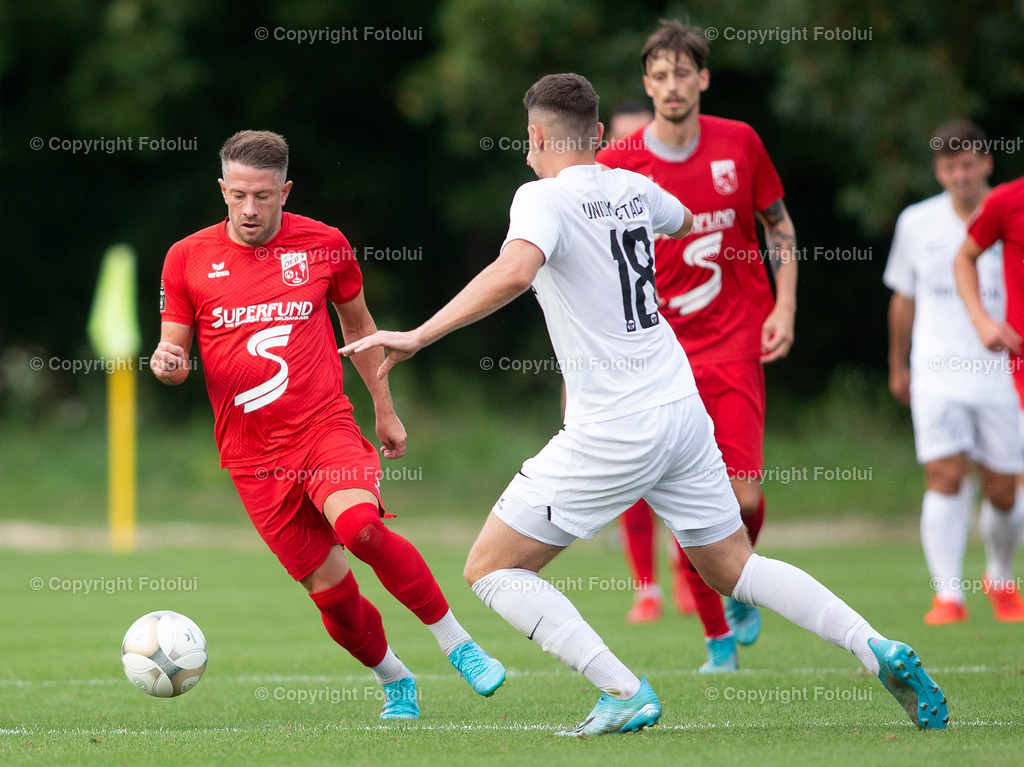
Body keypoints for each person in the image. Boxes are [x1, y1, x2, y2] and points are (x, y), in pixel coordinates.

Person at [342, 73, 948, 735]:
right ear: (601, 134)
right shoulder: (633, 187)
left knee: (490, 567)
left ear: (536, 136)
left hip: (616, 422)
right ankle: (874, 645)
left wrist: (419, 334)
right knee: (734, 567)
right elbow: (682, 219)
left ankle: (622, 689)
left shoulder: (539, 197)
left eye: (527, 138)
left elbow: (515, 271)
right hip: (682, 408)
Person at [150, 130, 505, 720]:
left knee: (362, 527)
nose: (249, 209)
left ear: (285, 191)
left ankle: (458, 644)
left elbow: (359, 328)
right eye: (238, 195)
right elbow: (175, 355)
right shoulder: (186, 257)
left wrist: (384, 408)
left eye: (263, 196)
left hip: (323, 428)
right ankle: (394, 677)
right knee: (333, 598)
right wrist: (167, 364)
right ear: (222, 189)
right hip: (252, 458)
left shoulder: (324, 244)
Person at [596, 20, 797, 669]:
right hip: (660, 353)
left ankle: (739, 577)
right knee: (685, 502)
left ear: (702, 78)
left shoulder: (740, 142)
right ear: (647, 84)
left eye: (683, 73)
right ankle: (717, 639)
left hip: (735, 338)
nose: (672, 85)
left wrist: (785, 305)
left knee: (741, 499)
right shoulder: (618, 163)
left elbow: (778, 225)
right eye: (660, 76)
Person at [885, 120, 1024, 624]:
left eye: (967, 164)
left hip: (1002, 374)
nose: (960, 176)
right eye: (949, 167)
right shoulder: (917, 222)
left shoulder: (1010, 211)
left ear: (986, 162)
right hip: (938, 372)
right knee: (943, 475)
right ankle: (948, 596)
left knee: (1003, 490)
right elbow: (904, 298)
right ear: (937, 171)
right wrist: (898, 364)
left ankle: (1000, 578)